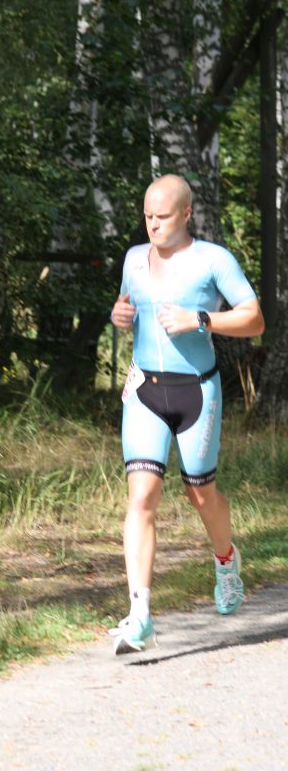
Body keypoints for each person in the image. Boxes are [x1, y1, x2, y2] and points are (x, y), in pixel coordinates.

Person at [109, 174, 265, 656]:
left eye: (162, 216)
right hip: (144, 390)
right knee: (142, 496)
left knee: (201, 494)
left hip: (197, 390)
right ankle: (140, 615)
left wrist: (201, 319)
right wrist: (119, 315)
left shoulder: (213, 260)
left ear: (186, 214)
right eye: (147, 217)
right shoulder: (134, 258)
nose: (153, 225)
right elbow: (125, 306)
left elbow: (254, 318)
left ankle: (226, 560)